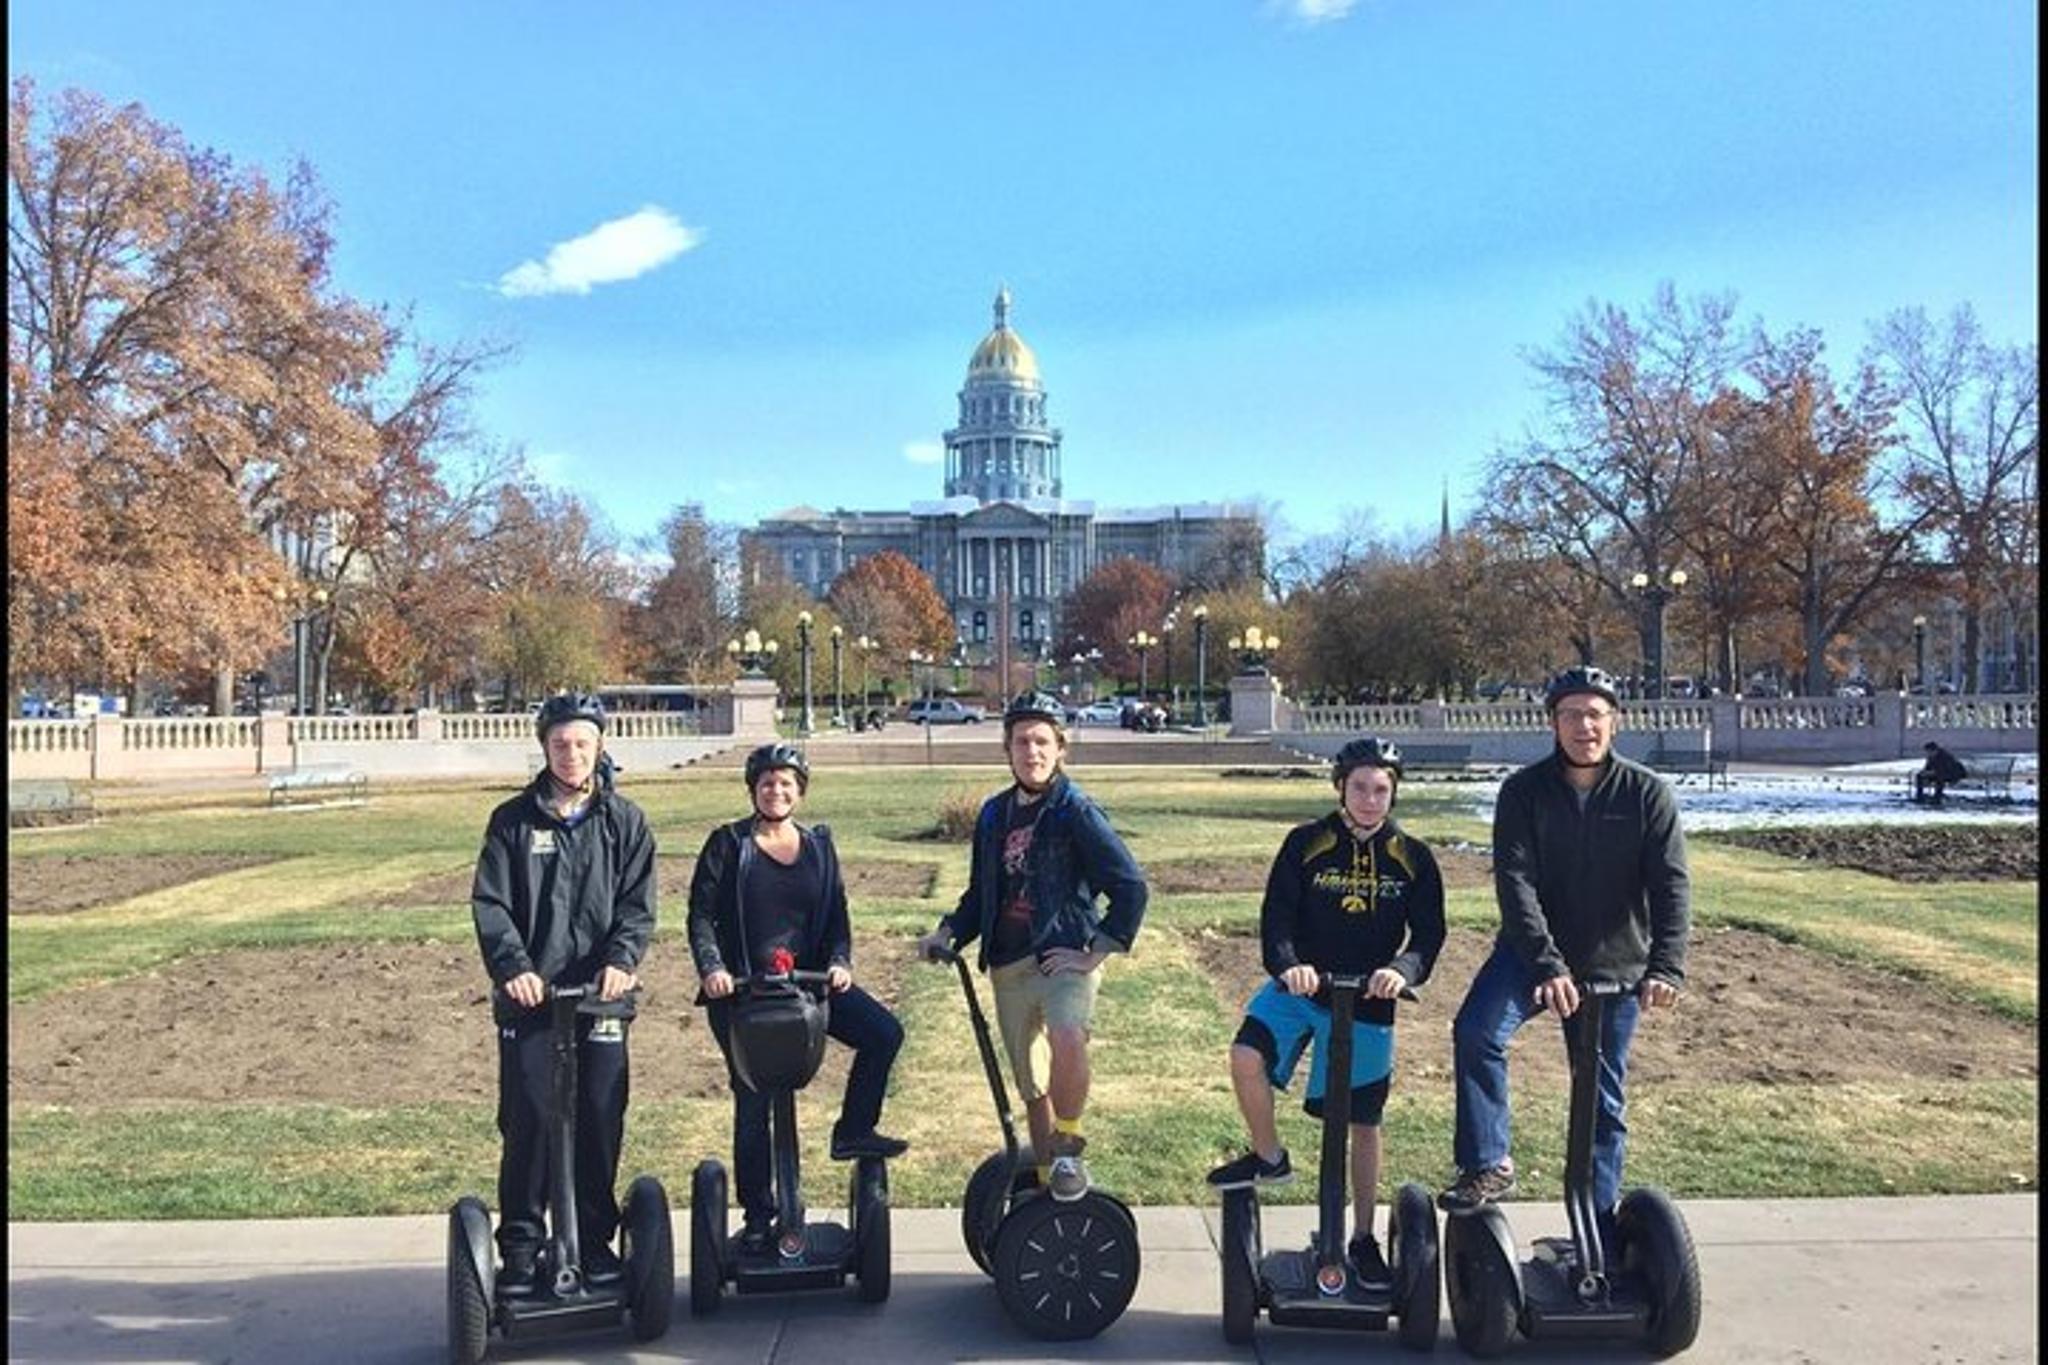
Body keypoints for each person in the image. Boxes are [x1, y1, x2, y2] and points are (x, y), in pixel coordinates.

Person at [1440, 665, 1690, 1241]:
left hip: (1613, 964)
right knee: (1478, 1032)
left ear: (1614, 723)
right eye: (1573, 715)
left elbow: (1671, 886)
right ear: (1553, 723)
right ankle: (1487, 1161)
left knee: (1601, 1099)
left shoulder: (1647, 794)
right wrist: (1547, 965)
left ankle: (1596, 1230)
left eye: (1596, 715)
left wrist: (1666, 966)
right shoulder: (1524, 793)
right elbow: (1516, 885)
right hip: (1530, 958)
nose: (1585, 727)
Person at [1206, 736, 1446, 1289]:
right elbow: (1277, 920)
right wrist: (1289, 964)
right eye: (1359, 787)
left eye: (1381, 789)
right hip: (1302, 988)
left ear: (1394, 793)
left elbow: (1429, 935)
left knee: (1362, 1123)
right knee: (1246, 1056)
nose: (1369, 799)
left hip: (1370, 998)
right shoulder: (1306, 844)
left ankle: (1360, 1237)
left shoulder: (1413, 857)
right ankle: (1269, 1156)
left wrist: (1402, 971)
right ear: (1340, 787)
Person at [916, 690, 1149, 1201]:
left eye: (1043, 741)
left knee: (1068, 1036)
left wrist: (1098, 948)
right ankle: (1049, 1185)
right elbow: (982, 892)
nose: (1033, 751)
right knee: (1031, 1086)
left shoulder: (1076, 810)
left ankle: (1068, 1147)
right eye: (1022, 741)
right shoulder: (995, 814)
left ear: (1060, 748)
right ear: (1008, 749)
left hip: (1062, 953)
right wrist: (950, 930)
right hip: (1008, 961)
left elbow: (1130, 885)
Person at [471, 692, 656, 1295]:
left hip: (601, 1000)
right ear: (544, 747)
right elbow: (493, 905)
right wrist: (513, 968)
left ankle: (596, 1240)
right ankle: (522, 1247)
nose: (571, 754)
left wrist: (622, 962)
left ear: (600, 745)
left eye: (581, 743)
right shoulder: (513, 822)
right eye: (559, 744)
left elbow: (637, 906)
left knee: (600, 1117)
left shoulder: (624, 822)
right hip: (532, 1001)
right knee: (528, 1118)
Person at [689, 742, 908, 1251]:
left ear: (800, 791)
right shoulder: (728, 843)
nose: (776, 790)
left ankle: (853, 1127)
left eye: (786, 782)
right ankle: (761, 1216)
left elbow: (837, 915)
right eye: (767, 782)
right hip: (745, 996)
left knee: (883, 1034)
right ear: (753, 789)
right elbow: (701, 915)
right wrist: (713, 967)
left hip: (810, 990)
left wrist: (839, 961)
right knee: (754, 1103)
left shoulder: (817, 847)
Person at [1914, 741, 1969, 806]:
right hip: (1938, 774)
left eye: (1929, 751)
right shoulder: (1931, 757)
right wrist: (1924, 773)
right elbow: (1928, 768)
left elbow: (1947, 770)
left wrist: (1933, 773)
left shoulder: (1945, 756)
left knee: (1939, 778)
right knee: (1919, 776)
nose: (1928, 754)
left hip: (1952, 775)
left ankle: (1937, 797)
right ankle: (1919, 796)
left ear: (1935, 750)